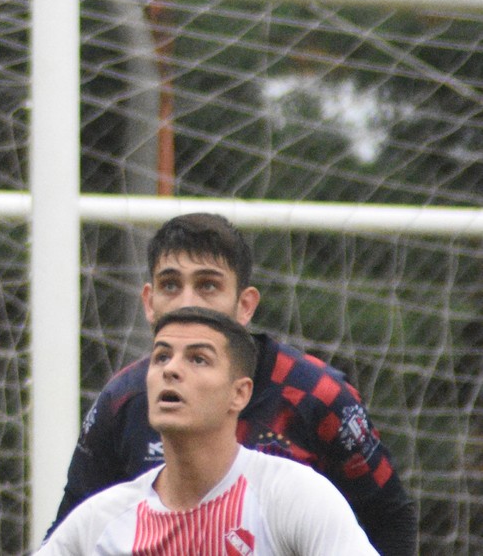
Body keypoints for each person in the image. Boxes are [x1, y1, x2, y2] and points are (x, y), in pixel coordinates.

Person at [52, 212, 416, 554]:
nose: (187, 302)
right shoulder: (123, 400)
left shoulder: (316, 398)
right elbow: (73, 525)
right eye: (170, 285)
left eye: (208, 285)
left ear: (245, 304)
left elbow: (389, 519)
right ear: (149, 301)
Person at [39, 306, 380, 554]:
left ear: (240, 393)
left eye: (198, 359)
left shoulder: (292, 497)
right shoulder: (103, 522)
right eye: (161, 357)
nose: (171, 370)